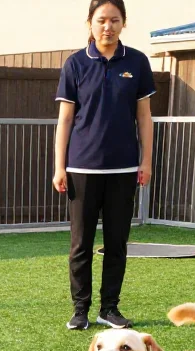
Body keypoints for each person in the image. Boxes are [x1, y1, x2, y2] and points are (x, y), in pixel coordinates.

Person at [54, 0, 155, 331]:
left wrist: (146, 161)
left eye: (114, 20)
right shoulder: (76, 64)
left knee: (117, 243)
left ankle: (108, 309)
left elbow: (144, 117)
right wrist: (60, 167)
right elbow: (65, 120)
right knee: (80, 245)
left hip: (123, 170)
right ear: (90, 23)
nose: (107, 26)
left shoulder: (137, 63)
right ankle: (80, 310)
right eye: (101, 20)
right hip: (82, 169)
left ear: (124, 23)